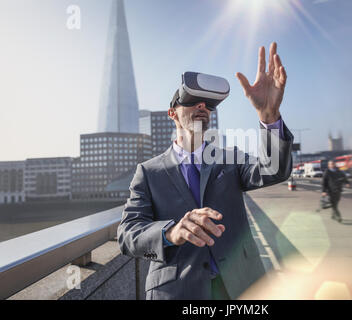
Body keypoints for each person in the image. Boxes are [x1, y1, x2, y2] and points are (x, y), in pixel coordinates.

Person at [117, 42, 294, 300]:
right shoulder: (148, 172)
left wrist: (270, 116)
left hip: (241, 286)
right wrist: (171, 232)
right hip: (178, 291)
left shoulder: (230, 158)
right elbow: (127, 234)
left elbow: (274, 170)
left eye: (209, 104)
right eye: (191, 100)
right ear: (172, 114)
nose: (203, 106)